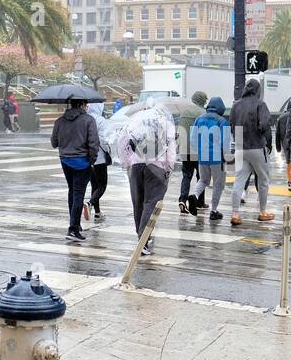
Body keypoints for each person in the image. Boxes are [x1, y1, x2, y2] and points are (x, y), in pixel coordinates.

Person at [117, 102, 178, 255]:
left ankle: (142, 237)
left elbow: (122, 141)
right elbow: (171, 146)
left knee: (138, 202)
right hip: (157, 166)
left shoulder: (134, 121)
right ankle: (143, 241)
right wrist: (169, 167)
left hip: (136, 165)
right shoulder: (165, 122)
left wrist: (126, 163)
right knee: (151, 203)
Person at [51, 98, 101, 243]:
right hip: (82, 161)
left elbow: (54, 143)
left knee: (72, 191)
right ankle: (73, 228)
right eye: (86, 104)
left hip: (65, 160)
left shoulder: (59, 121)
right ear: (82, 105)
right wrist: (92, 160)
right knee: (78, 193)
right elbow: (94, 143)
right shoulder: (88, 120)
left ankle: (76, 224)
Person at [229, 78, 276, 227]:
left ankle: (235, 214)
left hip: (240, 147)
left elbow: (231, 125)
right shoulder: (260, 104)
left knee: (239, 180)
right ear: (258, 90)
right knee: (263, 180)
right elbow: (264, 124)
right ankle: (262, 212)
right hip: (256, 146)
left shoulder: (236, 105)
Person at [189, 97, 230, 221]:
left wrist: (200, 150)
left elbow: (192, 140)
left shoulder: (198, 119)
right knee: (218, 184)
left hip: (203, 156)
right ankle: (213, 210)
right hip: (218, 158)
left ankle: (195, 196)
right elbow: (225, 142)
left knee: (203, 180)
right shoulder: (222, 120)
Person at [178, 91, 209, 213]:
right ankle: (200, 202)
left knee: (186, 176)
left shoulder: (184, 112)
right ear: (202, 100)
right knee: (201, 177)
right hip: (199, 151)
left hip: (185, 150)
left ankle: (182, 199)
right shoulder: (204, 114)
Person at [86, 101, 114, 223]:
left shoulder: (85, 119)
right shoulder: (100, 120)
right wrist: (109, 150)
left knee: (94, 185)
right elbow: (104, 138)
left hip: (88, 157)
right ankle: (90, 203)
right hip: (99, 157)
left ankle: (97, 212)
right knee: (102, 185)